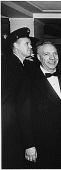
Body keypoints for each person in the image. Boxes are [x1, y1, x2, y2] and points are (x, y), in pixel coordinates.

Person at [18, 42, 61, 168]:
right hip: (42, 145)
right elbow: (24, 116)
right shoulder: (29, 81)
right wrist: (29, 145)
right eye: (46, 54)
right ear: (39, 57)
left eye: (55, 53)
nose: (52, 58)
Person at [2, 27, 32, 168]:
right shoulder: (9, 67)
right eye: (27, 43)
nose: (30, 46)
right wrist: (28, 142)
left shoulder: (20, 65)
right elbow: (15, 106)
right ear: (15, 45)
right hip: (11, 133)